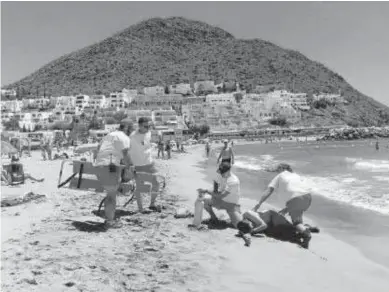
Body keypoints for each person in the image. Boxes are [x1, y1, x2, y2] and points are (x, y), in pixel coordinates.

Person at [252, 163, 312, 248]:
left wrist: (259, 203)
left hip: (296, 199)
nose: (277, 171)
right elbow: (298, 190)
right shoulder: (296, 175)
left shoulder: (280, 175)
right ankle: (300, 233)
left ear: (281, 169)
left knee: (297, 222)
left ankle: (306, 234)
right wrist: (287, 209)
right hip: (308, 197)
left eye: (278, 169)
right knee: (297, 214)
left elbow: (269, 190)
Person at [95, 120, 134, 229]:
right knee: (111, 196)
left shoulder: (108, 136)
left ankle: (109, 218)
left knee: (110, 194)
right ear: (127, 129)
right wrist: (129, 167)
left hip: (99, 167)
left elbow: (98, 149)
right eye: (131, 130)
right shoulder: (124, 137)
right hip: (110, 168)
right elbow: (126, 155)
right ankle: (110, 221)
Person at [129, 117, 162, 213]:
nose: (148, 128)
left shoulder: (148, 133)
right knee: (139, 187)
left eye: (149, 126)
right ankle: (140, 208)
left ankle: (152, 204)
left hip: (149, 163)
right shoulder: (133, 136)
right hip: (138, 164)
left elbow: (147, 145)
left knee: (156, 183)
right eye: (145, 126)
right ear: (139, 126)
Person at [198, 162, 242, 228]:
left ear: (229, 170)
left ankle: (237, 213)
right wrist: (215, 192)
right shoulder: (221, 173)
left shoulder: (233, 181)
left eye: (223, 172)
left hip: (231, 204)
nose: (221, 174)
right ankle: (214, 218)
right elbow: (215, 181)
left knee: (238, 225)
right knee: (204, 200)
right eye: (220, 172)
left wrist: (207, 191)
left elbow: (221, 195)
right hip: (220, 200)